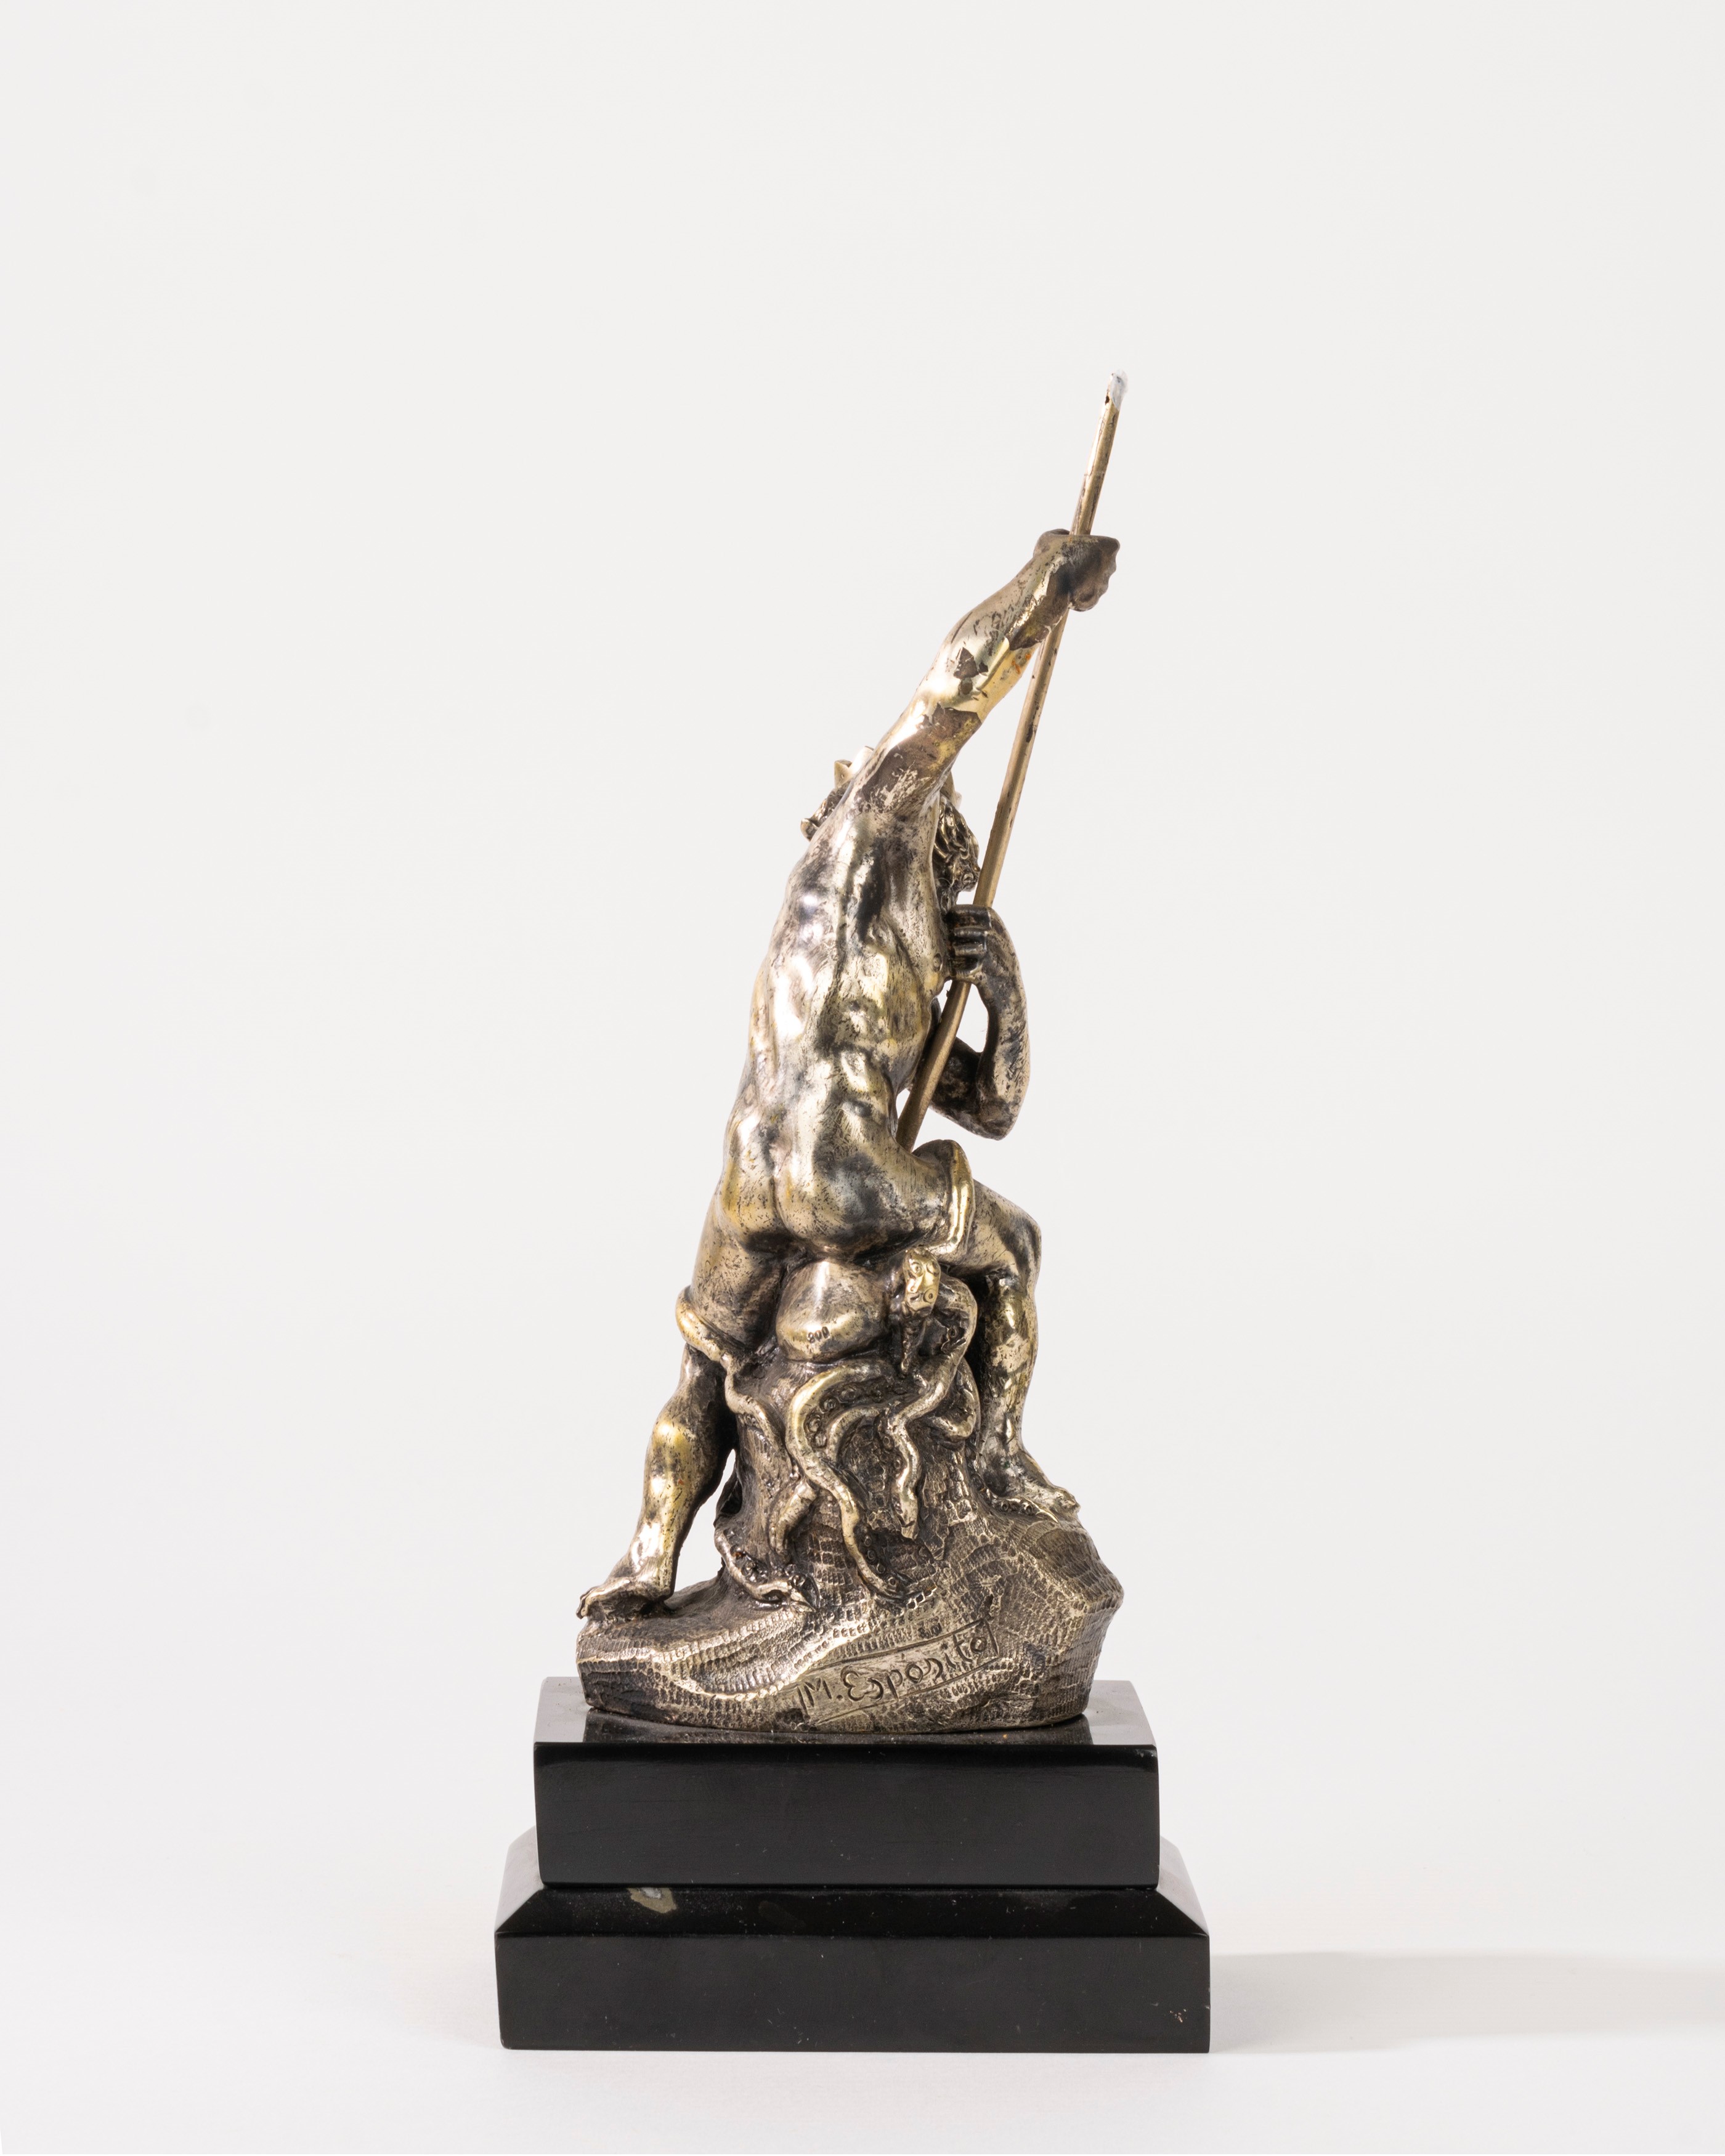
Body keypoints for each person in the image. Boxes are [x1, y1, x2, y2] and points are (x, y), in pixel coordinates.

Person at [582, 527, 1118, 1615]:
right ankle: (1002, 1457)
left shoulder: (889, 958)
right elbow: (954, 686)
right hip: (844, 1176)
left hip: (749, 1181)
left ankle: (647, 1556)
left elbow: (990, 1106)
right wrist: (1045, 583)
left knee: (702, 1370)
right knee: (1015, 1246)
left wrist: (1003, 992)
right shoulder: (867, 838)